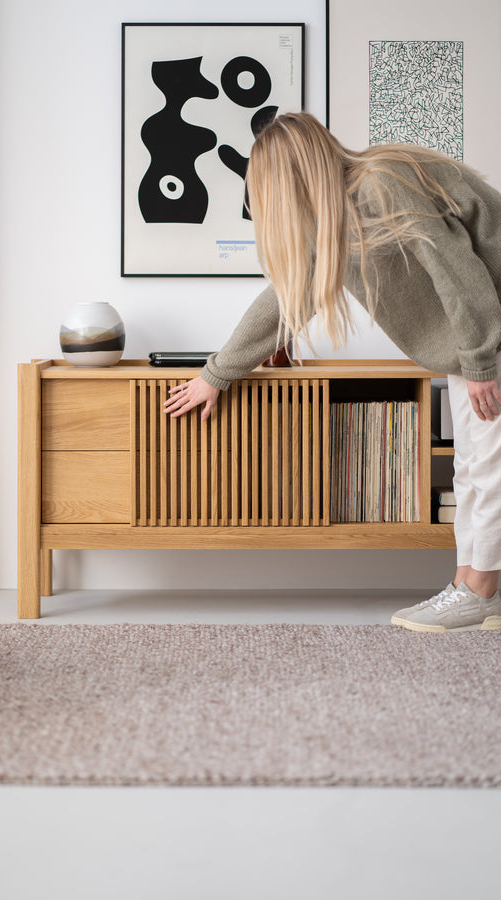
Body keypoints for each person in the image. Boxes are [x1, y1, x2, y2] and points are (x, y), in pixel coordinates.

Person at [163, 111, 501, 633]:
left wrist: (481, 358)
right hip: (474, 345)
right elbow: (285, 297)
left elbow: (454, 265)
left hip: (488, 336)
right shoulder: (333, 218)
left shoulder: (383, 182)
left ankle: (479, 591)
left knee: (490, 466)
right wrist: (216, 373)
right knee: (473, 466)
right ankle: (470, 588)